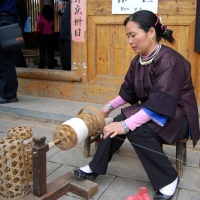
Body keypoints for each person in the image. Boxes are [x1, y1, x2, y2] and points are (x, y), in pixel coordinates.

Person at [72, 10, 200, 200]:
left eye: (133, 35)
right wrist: (106, 108)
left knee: (136, 130)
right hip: (156, 109)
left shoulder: (171, 61)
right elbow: (128, 92)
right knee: (117, 119)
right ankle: (95, 167)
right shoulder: (139, 59)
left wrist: (125, 126)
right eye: (128, 36)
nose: (130, 41)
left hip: (179, 116)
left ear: (151, 33)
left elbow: (160, 104)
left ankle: (168, 180)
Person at [0, 0, 19, 103]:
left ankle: (9, 94)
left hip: (4, 20)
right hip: (6, 18)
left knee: (5, 59)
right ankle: (5, 92)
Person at [36, 4, 54, 69]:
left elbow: (37, 25)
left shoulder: (40, 17)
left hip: (42, 36)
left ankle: (41, 66)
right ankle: (51, 66)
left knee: (42, 53)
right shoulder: (51, 18)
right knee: (50, 53)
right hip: (50, 37)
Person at [57, 0, 71, 71]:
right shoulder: (68, 3)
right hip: (63, 34)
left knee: (69, 60)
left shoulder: (78, 3)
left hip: (69, 35)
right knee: (64, 58)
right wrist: (61, 11)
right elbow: (65, 15)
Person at [14, 0, 28, 68]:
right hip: (15, 27)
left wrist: (20, 27)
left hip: (15, 28)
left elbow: (23, 15)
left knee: (16, 53)